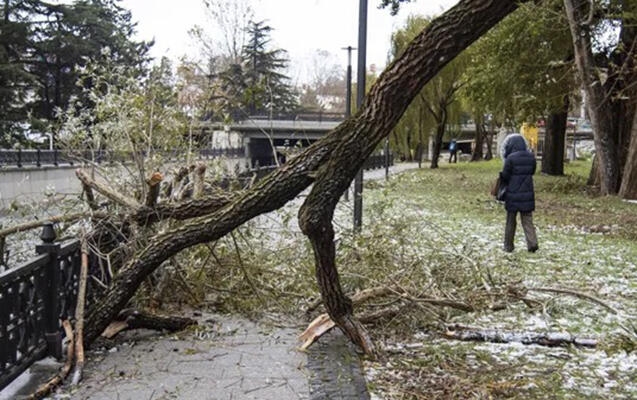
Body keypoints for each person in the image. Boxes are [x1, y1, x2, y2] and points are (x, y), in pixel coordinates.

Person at [499, 133, 538, 252]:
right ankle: (532, 243)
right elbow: (532, 171)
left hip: (512, 193)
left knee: (511, 220)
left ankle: (508, 245)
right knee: (527, 219)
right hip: (527, 193)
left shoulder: (510, 158)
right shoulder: (531, 157)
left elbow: (505, 175)